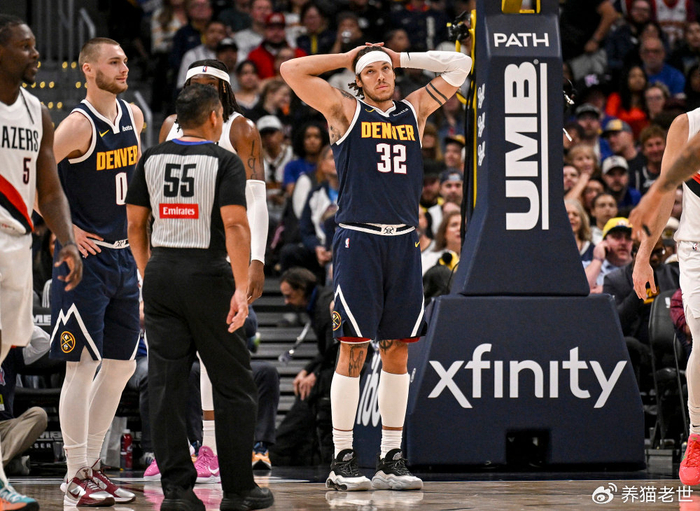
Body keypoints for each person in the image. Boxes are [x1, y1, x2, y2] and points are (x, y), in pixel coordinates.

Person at [281, 42, 470, 491]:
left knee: (397, 350)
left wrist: (399, 58)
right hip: (358, 240)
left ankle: (392, 458)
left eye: (387, 70)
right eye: (372, 71)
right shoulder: (345, 110)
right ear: (359, 81)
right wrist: (349, 57)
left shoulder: (413, 110)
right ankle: (343, 458)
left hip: (404, 241)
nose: (382, 76)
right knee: (353, 348)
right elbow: (292, 70)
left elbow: (461, 64)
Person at [126, 83, 274, 511]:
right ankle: (239, 489)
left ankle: (176, 491)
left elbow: (135, 225)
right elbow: (236, 226)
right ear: (214, 118)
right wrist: (241, 287)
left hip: (161, 273)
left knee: (167, 384)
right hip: (208, 275)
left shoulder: (150, 158)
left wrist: (147, 272)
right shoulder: (224, 161)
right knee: (234, 385)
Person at [159, 59, 269, 483]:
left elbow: (255, 200)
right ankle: (174, 451)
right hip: (174, 248)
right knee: (170, 361)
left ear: (224, 91)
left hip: (220, 253)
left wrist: (256, 259)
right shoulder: (170, 126)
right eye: (194, 83)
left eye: (208, 83)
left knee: (214, 358)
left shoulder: (240, 128)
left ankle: (211, 448)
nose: (201, 89)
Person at [49, 37, 142, 507]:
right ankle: (73, 473)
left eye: (125, 61)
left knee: (122, 366)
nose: (124, 68)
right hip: (83, 263)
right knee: (81, 366)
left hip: (124, 257)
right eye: (113, 62)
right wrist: (65, 230)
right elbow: (32, 178)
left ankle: (92, 466)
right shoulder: (76, 125)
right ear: (88, 69)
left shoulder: (135, 117)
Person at [0, 14, 82, 510]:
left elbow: (49, 189)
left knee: (3, 352)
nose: (36, 54)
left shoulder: (38, 113)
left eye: (35, 45)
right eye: (25, 46)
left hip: (17, 242)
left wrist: (67, 240)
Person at [626, 100, 700, 486]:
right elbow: (668, 190)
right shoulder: (686, 125)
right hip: (697, 248)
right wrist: (643, 257)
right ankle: (698, 437)